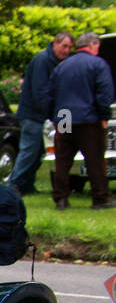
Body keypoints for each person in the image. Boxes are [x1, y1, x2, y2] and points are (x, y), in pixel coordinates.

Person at [49, 31, 114, 210]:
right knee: (94, 159)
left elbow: (50, 95)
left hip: (64, 115)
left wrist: (53, 117)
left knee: (62, 159)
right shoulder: (98, 64)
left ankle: (61, 198)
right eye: (97, 47)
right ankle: (100, 198)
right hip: (88, 117)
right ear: (92, 45)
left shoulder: (61, 66)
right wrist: (104, 116)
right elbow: (104, 93)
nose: (98, 51)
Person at [7, 30, 72, 195]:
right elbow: (40, 93)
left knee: (38, 152)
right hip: (32, 115)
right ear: (55, 43)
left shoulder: (56, 62)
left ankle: (26, 185)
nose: (66, 50)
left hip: (40, 115)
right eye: (64, 46)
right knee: (30, 150)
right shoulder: (43, 61)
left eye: (70, 47)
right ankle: (13, 185)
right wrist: (54, 115)